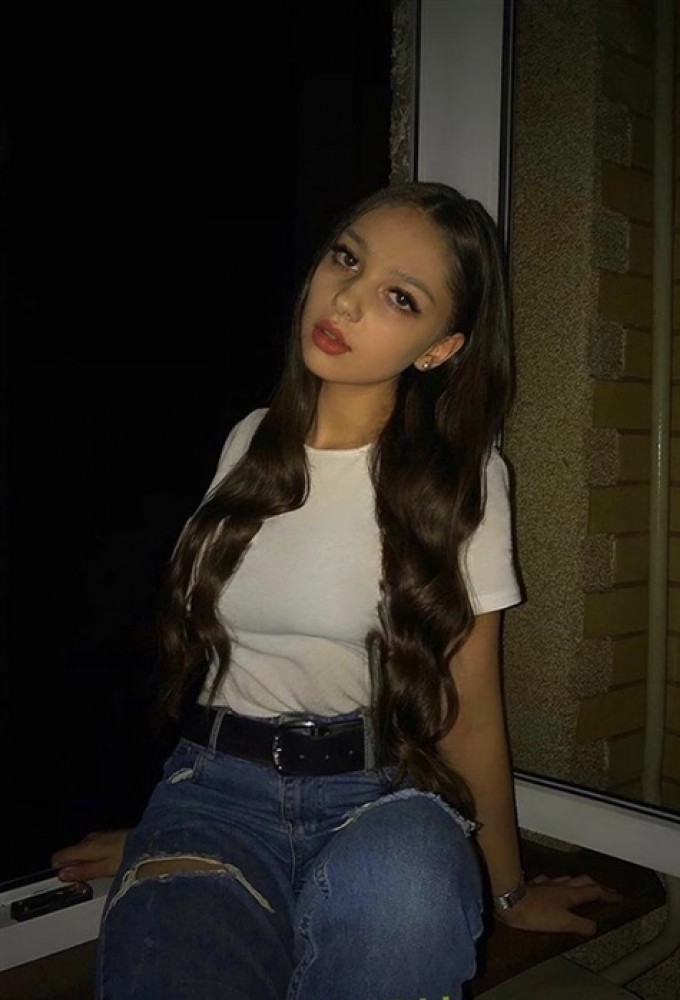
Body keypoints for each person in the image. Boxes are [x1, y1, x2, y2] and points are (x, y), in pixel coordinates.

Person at [51, 180, 621, 999]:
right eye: (346, 258)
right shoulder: (250, 439)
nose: (347, 298)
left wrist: (510, 891)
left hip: (380, 795)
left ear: (438, 348)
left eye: (399, 296)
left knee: (408, 894)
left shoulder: (460, 481)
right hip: (212, 797)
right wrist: (161, 833)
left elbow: (470, 706)